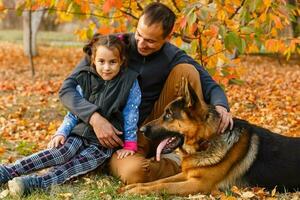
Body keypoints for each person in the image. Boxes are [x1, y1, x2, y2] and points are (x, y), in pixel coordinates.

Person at [59, 2, 234, 185]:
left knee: (188, 71)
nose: (141, 43)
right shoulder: (110, 47)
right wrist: (94, 118)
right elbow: (67, 88)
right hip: (116, 137)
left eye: (150, 41)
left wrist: (221, 106)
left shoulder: (172, 55)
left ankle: (186, 155)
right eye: (139, 35)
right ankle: (167, 164)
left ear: (167, 37)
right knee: (135, 173)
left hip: (152, 127)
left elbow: (210, 85)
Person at [0, 34, 141, 196]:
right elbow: (74, 111)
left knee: (75, 165)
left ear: (122, 61)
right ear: (93, 60)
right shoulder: (85, 77)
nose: (106, 67)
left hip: (102, 145)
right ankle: (8, 171)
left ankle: (34, 183)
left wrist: (130, 143)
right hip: (79, 133)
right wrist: (62, 132)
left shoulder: (129, 81)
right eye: (101, 62)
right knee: (61, 152)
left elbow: (131, 113)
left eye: (113, 62)